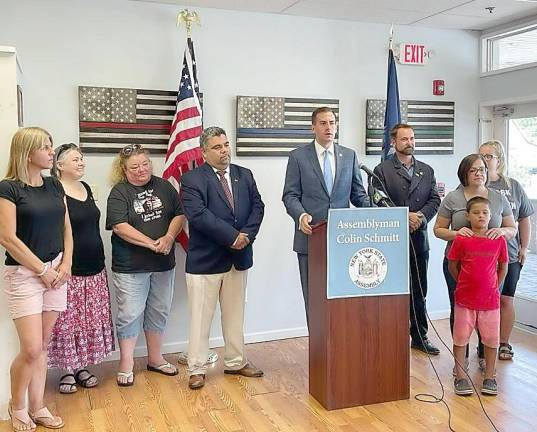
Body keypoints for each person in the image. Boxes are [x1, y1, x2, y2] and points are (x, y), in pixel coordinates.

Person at [181, 127, 264, 390]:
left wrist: (246, 235)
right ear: (204, 152)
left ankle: (236, 362)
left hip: (238, 258)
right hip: (205, 260)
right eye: (217, 147)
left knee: (235, 315)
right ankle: (196, 368)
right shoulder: (193, 179)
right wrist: (232, 236)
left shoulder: (244, 174)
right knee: (200, 319)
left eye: (226, 145)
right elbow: (198, 215)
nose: (225, 150)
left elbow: (258, 206)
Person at [0, 127, 70, 430]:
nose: (51, 152)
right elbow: (7, 237)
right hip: (25, 274)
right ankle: (17, 407)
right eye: (46, 147)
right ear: (27, 153)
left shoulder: (54, 185)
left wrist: (66, 264)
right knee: (29, 348)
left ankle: (38, 406)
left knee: (42, 345)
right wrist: (43, 271)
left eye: (51, 146)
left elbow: (66, 228)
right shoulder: (9, 188)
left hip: (57, 270)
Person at [106, 144, 184, 386]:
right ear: (124, 169)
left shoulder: (164, 186)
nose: (141, 170)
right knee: (130, 314)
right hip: (131, 266)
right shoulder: (119, 192)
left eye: (145, 164)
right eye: (134, 167)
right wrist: (152, 243)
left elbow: (179, 215)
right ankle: (126, 363)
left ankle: (155, 359)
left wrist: (170, 237)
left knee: (159, 310)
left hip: (163, 263)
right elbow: (119, 226)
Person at [282, 107, 369, 321]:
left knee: (342, 298)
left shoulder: (349, 155)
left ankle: (341, 347)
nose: (328, 127)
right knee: (314, 298)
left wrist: (381, 213)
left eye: (332, 122)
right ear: (313, 127)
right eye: (323, 123)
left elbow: (358, 195)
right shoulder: (298, 157)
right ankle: (319, 350)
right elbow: (290, 195)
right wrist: (301, 215)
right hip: (311, 238)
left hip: (344, 241)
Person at [433, 154, 516, 369]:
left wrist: (502, 231)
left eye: (482, 169)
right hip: (458, 263)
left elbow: (512, 228)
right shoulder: (453, 198)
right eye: (473, 170)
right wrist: (457, 233)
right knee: (460, 309)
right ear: (464, 174)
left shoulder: (498, 198)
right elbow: (438, 230)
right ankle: (461, 360)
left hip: (489, 266)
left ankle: (484, 354)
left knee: (487, 311)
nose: (479, 173)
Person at [48, 143, 115, 394]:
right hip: (69, 268)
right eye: (75, 159)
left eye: (82, 158)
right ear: (59, 165)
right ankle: (66, 369)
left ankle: (81, 366)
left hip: (94, 265)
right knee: (67, 320)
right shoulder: (54, 190)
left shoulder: (85, 187)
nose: (81, 162)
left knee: (87, 319)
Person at [373, 124, 441, 355]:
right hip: (392, 241)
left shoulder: (426, 170)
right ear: (393, 142)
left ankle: (420, 337)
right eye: (404, 139)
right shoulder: (381, 170)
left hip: (419, 240)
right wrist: (403, 217)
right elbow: (378, 200)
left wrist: (420, 217)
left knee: (419, 290)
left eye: (412, 138)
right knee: (392, 291)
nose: (409, 142)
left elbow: (434, 200)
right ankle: (391, 337)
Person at [479, 140, 534, 361]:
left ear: (499, 160)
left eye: (489, 156)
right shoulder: (476, 185)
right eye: (481, 155)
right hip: (483, 256)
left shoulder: (513, 186)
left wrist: (524, 247)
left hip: (509, 254)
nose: (484, 160)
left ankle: (503, 343)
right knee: (484, 301)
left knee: (506, 300)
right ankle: (484, 345)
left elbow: (524, 219)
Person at [448, 197, 508, 396]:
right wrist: (464, 284)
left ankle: (490, 377)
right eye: (476, 212)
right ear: (467, 216)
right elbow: (453, 266)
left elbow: (503, 267)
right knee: (461, 337)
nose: (481, 216)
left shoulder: (498, 240)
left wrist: (493, 287)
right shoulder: (461, 239)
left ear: (491, 215)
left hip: (490, 301)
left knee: (491, 339)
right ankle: (460, 377)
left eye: (485, 212)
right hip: (464, 300)